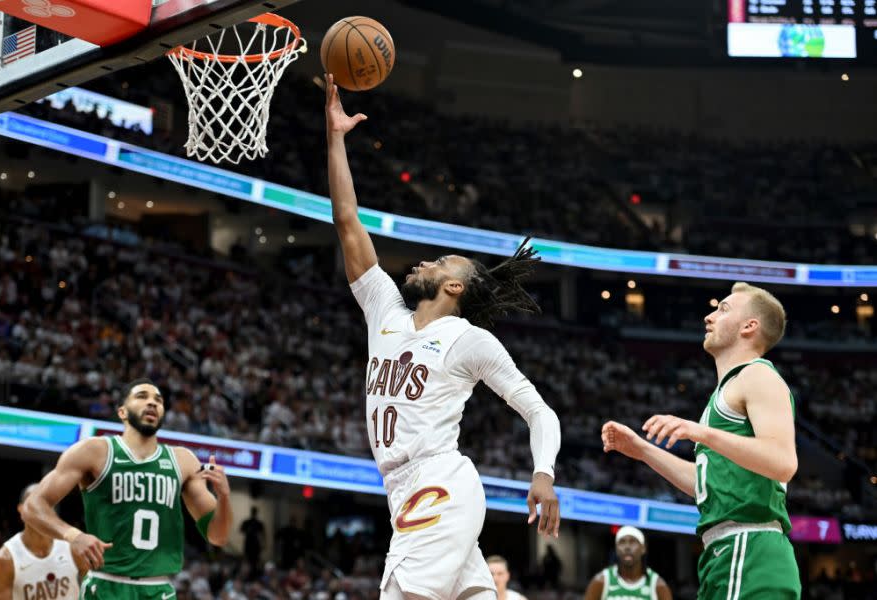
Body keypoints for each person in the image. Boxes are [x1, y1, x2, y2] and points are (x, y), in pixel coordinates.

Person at [325, 73, 562, 600]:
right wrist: (336, 138)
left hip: (438, 484)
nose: (427, 260)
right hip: (401, 489)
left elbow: (540, 411)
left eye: (441, 261)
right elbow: (346, 221)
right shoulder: (384, 309)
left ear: (453, 285)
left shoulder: (469, 339)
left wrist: (542, 474)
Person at [602, 283, 801, 599]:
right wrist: (641, 450)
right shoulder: (724, 395)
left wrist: (699, 432)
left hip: (750, 550)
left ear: (750, 326)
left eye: (723, 309)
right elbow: (705, 483)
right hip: (725, 553)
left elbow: (783, 462)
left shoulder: (757, 375)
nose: (709, 317)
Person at [22, 378, 234, 599]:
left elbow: (218, 536)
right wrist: (74, 536)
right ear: (122, 412)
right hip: (106, 585)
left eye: (158, 400)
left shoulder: (183, 461)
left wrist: (225, 497)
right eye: (142, 397)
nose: (152, 403)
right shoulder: (94, 451)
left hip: (159, 588)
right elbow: (32, 506)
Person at [0, 483, 83, 600]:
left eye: (45, 504)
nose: (39, 510)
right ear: (21, 510)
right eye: (33, 505)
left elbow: (94, 591)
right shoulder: (6, 558)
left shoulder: (73, 547)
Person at [583, 526, 672, 600]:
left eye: (633, 542)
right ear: (616, 549)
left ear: (643, 548)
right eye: (622, 542)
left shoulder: (658, 585)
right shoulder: (601, 581)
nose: (627, 547)